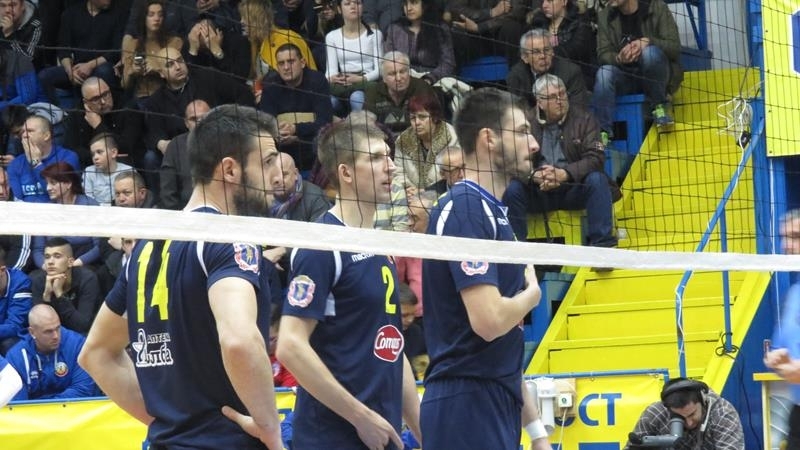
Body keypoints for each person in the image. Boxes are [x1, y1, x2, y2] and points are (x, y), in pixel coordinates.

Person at [78, 105, 285, 450]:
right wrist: (270, 428)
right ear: (229, 170)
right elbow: (239, 340)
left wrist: (171, 424)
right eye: (266, 162)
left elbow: (95, 354)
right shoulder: (229, 239)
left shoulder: (144, 249)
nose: (277, 175)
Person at [276, 111, 421, 449]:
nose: (391, 167)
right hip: (331, 438)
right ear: (346, 173)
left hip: (381, 434)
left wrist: (425, 433)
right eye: (376, 158)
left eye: (389, 156)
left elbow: (392, 348)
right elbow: (290, 345)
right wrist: (359, 416)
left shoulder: (378, 247)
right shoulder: (322, 245)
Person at [420, 87, 550, 450]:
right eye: (522, 132)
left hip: (495, 400)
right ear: (488, 139)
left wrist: (537, 434)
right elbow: (490, 322)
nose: (534, 145)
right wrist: (532, 296)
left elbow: (504, 344)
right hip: (465, 402)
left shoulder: (496, 214)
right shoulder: (466, 207)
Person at [503, 74, 619, 246]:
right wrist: (533, 175)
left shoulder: (585, 119)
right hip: (539, 190)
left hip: (572, 187)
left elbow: (596, 158)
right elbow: (510, 161)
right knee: (512, 189)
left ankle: (603, 246)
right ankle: (515, 249)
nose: (560, 100)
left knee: (597, 180)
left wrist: (565, 174)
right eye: (552, 97)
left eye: (562, 94)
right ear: (540, 102)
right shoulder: (525, 123)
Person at [593, 0, 682, 138]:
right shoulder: (604, 16)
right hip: (626, 76)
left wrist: (648, 42)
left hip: (655, 75)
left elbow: (674, 48)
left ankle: (660, 107)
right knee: (604, 74)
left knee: (650, 53)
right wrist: (619, 58)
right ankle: (603, 134)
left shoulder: (657, 7)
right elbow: (602, 54)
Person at [36, 0, 129, 106]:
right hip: (77, 68)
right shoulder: (71, 13)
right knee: (45, 76)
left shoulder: (119, 14)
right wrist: (70, 71)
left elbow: (116, 50)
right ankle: (58, 111)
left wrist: (89, 66)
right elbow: (63, 48)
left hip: (103, 65)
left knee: (104, 71)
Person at [258, 43, 333, 171]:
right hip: (281, 154)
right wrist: (277, 133)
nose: (286, 67)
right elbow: (265, 124)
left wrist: (296, 129)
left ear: (302, 62)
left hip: (313, 151)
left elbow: (325, 121)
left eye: (291, 61)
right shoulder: (271, 85)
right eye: (281, 63)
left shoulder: (317, 81)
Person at [6, 304, 98, 401]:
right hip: (36, 411)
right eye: (48, 331)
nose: (56, 336)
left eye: (58, 328)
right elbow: (18, 402)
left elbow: (83, 390)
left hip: (74, 409)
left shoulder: (77, 345)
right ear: (32, 332)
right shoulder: (16, 357)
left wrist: (46, 406)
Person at [624, 378, 745, 450]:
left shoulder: (722, 413)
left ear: (703, 401)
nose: (689, 423)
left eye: (692, 414)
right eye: (680, 417)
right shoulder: (655, 413)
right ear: (667, 408)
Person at [764, 209, 800, 447]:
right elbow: (782, 351)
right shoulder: (794, 293)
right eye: (784, 237)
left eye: (796, 236)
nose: (786, 245)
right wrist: (777, 359)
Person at [31, 162, 102, 270]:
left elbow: (100, 247)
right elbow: (38, 249)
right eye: (47, 183)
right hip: (52, 266)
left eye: (53, 183)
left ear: (68, 183)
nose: (48, 188)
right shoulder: (45, 210)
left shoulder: (90, 206)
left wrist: (75, 264)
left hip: (84, 265)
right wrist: (48, 267)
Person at [62, 77, 145, 168]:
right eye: (95, 99)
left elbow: (126, 146)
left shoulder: (127, 106)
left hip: (127, 162)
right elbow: (71, 148)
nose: (103, 101)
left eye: (105, 94)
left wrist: (98, 126)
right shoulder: (77, 113)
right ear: (86, 102)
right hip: (92, 164)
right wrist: (100, 157)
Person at [30, 238, 103, 335]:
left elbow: (82, 326)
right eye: (47, 257)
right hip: (51, 335)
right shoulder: (39, 281)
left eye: (57, 256)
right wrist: (47, 296)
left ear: (70, 262)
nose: (50, 262)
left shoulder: (87, 279)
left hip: (80, 335)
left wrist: (60, 295)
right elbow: (40, 326)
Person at [324, 0, 383, 115]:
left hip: (366, 82)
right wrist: (333, 78)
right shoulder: (331, 36)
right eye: (347, 4)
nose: (353, 6)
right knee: (330, 101)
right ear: (339, 9)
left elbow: (379, 70)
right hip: (342, 82)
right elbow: (330, 71)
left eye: (357, 3)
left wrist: (360, 79)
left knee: (356, 97)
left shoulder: (375, 34)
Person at [506, 29, 590, 108]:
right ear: (525, 57)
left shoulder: (571, 72)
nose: (543, 56)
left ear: (552, 52)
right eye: (536, 52)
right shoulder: (517, 76)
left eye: (546, 50)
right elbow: (518, 111)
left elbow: (578, 110)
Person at [120, 0, 183, 102]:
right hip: (141, 98)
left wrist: (157, 69)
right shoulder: (132, 44)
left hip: (168, 96)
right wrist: (132, 71)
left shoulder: (174, 42)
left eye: (160, 15)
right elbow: (124, 84)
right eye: (151, 15)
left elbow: (180, 75)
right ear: (143, 18)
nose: (157, 19)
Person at [7, 114, 80, 203]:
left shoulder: (67, 157)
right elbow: (18, 199)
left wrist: (36, 163)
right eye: (22, 132)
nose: (24, 135)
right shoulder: (15, 164)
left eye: (30, 131)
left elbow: (60, 194)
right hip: (26, 211)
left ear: (46, 135)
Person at [393, 92, 458, 192]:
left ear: (435, 117)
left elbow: (455, 174)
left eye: (422, 117)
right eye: (413, 118)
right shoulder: (403, 140)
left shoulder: (452, 137)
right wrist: (410, 190)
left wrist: (426, 191)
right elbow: (398, 172)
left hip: (445, 193)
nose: (417, 122)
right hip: (411, 196)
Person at [382, 0, 455, 85]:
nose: (408, 8)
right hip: (401, 79)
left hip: (434, 79)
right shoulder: (394, 29)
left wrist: (430, 78)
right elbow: (389, 60)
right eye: (405, 4)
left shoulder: (440, 29)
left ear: (425, 5)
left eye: (414, 3)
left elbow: (448, 63)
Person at [364, 51, 437, 135]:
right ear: (383, 78)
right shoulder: (374, 91)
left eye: (402, 72)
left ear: (409, 72)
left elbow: (434, 123)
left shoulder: (422, 88)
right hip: (384, 139)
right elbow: (367, 125)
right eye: (392, 74)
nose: (398, 78)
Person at [530, 0, 597, 90]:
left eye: (549, 1)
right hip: (540, 78)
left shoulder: (580, 24)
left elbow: (575, 51)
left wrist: (547, 52)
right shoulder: (538, 23)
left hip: (575, 80)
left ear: (564, 2)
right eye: (543, 1)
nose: (544, 5)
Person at [160, 99, 210, 210]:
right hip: (185, 211)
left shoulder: (225, 143)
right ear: (186, 123)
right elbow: (168, 189)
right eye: (193, 119)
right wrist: (178, 215)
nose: (199, 123)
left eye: (204, 118)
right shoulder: (175, 145)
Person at [448, 0, 528, 64]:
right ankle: (455, 77)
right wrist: (491, 12)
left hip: (499, 35)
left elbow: (516, 11)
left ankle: (516, 76)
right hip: (473, 36)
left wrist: (481, 27)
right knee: (456, 31)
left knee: (513, 27)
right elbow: (456, 9)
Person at [83, 133, 134, 205]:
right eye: (92, 154)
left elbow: (132, 200)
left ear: (114, 153)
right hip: (96, 211)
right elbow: (88, 201)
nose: (95, 157)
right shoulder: (88, 172)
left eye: (99, 152)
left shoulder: (129, 171)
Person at [0, 245, 32, 355]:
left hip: (13, 337)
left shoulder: (20, 283)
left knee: (9, 344)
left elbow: (15, 326)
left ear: (2, 270)